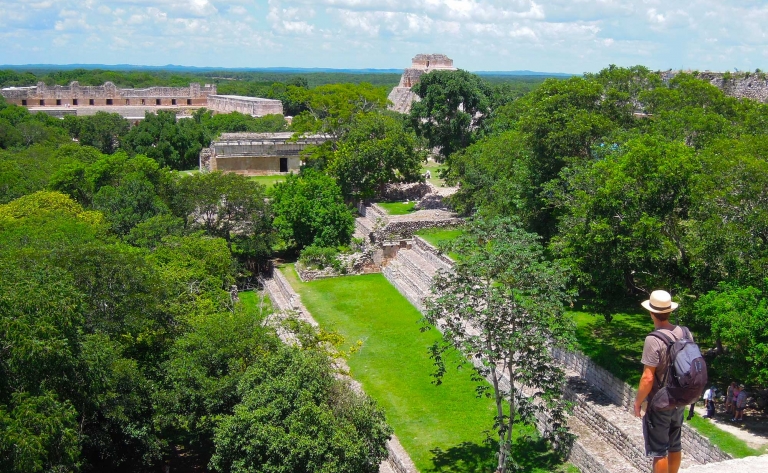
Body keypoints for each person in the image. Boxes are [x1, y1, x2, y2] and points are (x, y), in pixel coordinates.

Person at [634, 290, 688, 473]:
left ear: (651, 313)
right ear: (669, 311)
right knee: (675, 444)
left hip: (660, 401)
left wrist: (638, 402)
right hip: (680, 398)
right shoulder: (684, 332)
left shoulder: (653, 339)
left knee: (659, 450)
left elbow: (648, 377)